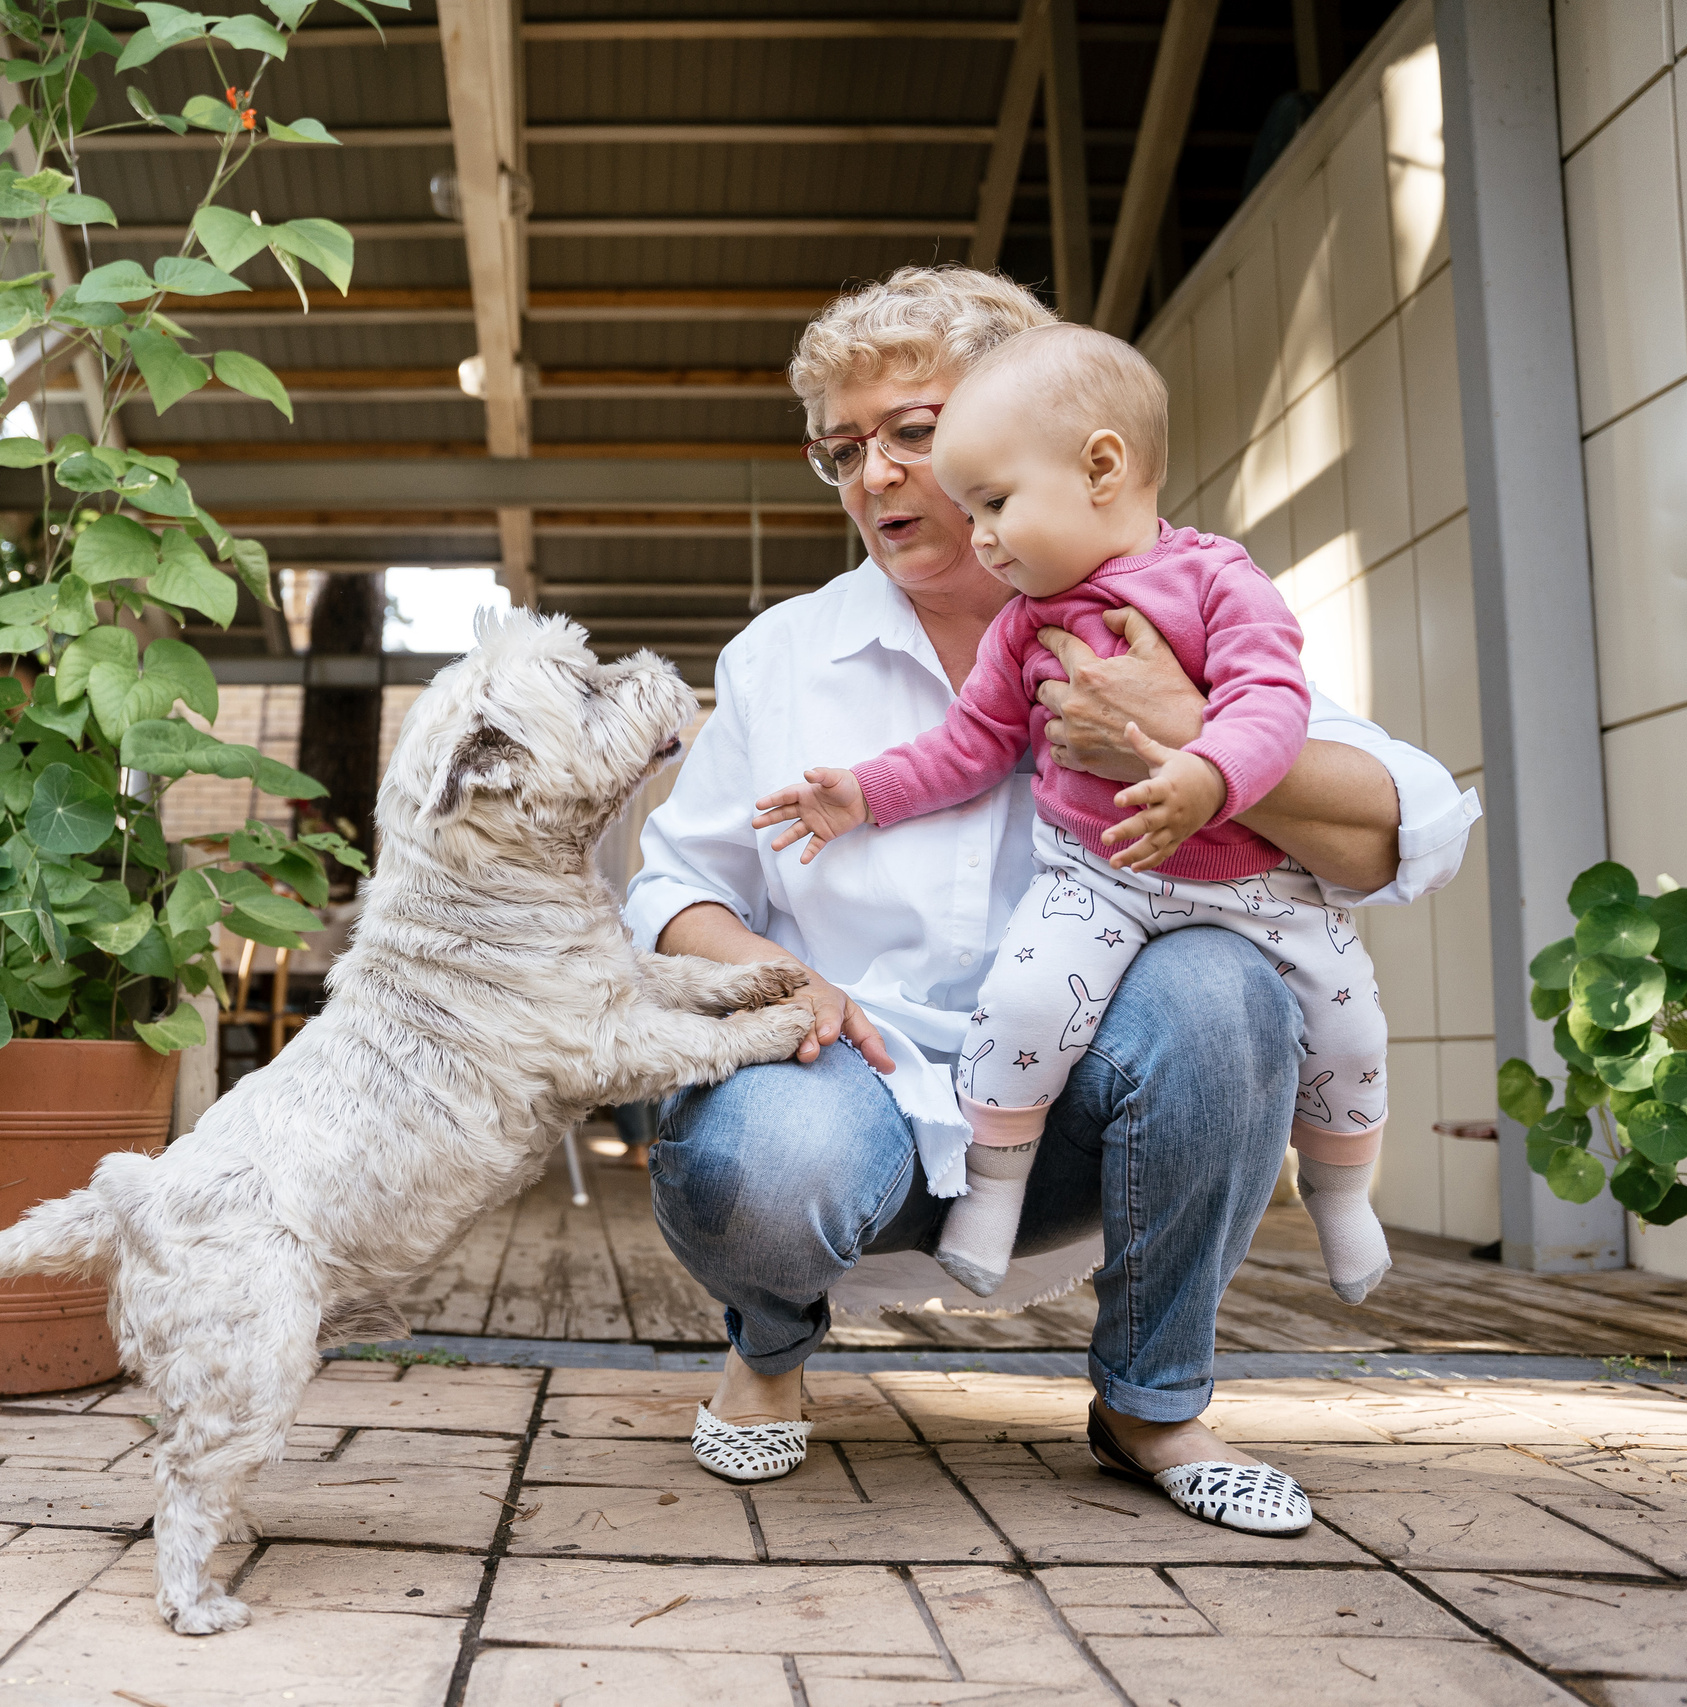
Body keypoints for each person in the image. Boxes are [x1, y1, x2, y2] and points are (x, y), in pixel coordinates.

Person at [625, 265, 1479, 1535]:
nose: (873, 480)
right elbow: (675, 889)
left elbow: (1410, 826)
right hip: (854, 1088)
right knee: (755, 1143)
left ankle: (1151, 1402)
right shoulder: (786, 654)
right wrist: (771, 974)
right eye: (841, 452)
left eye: (912, 434)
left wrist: (1194, 735)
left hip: (1088, 1115)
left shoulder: (1181, 607)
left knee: (1226, 985)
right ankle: (769, 1345)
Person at [751, 323, 1392, 1308]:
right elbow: (968, 749)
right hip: (1096, 881)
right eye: (973, 512)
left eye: (995, 505)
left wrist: (1205, 769)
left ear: (1100, 466)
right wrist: (863, 793)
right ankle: (992, 1198)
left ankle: (1341, 1195)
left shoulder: (1217, 581)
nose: (984, 536)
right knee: (1022, 1009)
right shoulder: (1023, 626)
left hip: (1255, 889)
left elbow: (1275, 703)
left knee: (1345, 1036)